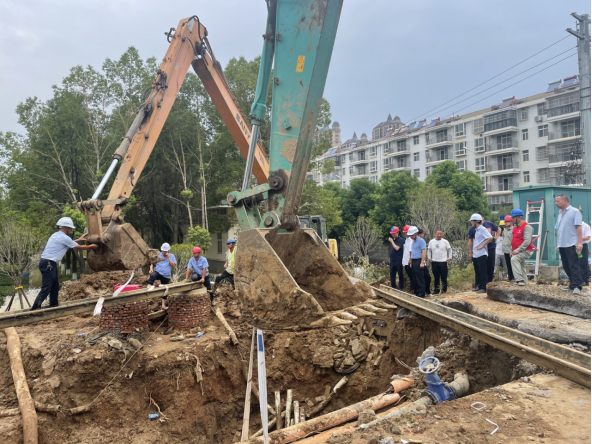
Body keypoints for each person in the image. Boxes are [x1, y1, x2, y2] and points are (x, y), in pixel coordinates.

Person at [31, 217, 99, 310]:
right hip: (48, 263)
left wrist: (78, 239)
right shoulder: (64, 237)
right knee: (47, 287)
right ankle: (35, 308)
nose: (71, 231)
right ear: (66, 228)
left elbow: (67, 242)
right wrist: (93, 246)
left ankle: (53, 306)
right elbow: (79, 247)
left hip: (48, 262)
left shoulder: (55, 235)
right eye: (70, 229)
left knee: (55, 286)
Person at [554, 194, 584, 294]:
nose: (556, 203)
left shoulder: (574, 211)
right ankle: (572, 284)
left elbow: (579, 227)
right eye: (555, 201)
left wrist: (579, 243)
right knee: (566, 266)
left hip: (572, 243)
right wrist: (558, 244)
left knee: (574, 265)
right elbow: (558, 230)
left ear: (565, 201)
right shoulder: (559, 213)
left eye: (557, 201)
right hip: (562, 244)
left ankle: (578, 286)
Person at [468, 216, 500, 284]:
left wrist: (496, 237)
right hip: (479, 251)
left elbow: (494, 234)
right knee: (480, 268)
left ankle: (488, 283)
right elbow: (470, 240)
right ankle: (480, 284)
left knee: (490, 266)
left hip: (490, 248)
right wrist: (471, 252)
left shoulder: (487, 225)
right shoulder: (473, 229)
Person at [509, 209, 535, 287]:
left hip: (526, 250)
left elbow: (527, 241)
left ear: (519, 217)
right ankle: (525, 283)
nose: (512, 219)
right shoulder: (515, 228)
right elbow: (514, 240)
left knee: (514, 259)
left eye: (513, 217)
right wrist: (512, 251)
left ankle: (519, 280)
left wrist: (517, 250)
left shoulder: (527, 227)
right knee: (521, 266)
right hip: (518, 251)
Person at [148, 243, 176, 309]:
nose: (164, 252)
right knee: (153, 276)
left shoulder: (172, 256)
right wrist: (151, 269)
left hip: (166, 275)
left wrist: (168, 258)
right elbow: (151, 262)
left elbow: (173, 265)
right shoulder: (158, 255)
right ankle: (148, 286)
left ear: (168, 251)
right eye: (163, 251)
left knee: (165, 290)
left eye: (165, 251)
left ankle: (163, 305)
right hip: (158, 272)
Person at [469, 213, 493, 294]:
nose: (471, 223)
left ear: (476, 221)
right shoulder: (476, 230)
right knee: (477, 271)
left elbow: (490, 237)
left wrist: (482, 245)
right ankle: (479, 286)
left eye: (472, 221)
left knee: (483, 271)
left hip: (481, 254)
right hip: (476, 253)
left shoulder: (482, 229)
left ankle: (484, 287)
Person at [407, 226, 427, 298]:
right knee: (415, 278)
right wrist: (411, 262)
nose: (411, 237)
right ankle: (417, 293)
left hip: (419, 260)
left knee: (420, 278)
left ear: (416, 234)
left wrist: (422, 262)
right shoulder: (413, 242)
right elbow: (413, 252)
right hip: (414, 261)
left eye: (412, 235)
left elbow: (424, 252)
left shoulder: (421, 241)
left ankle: (421, 294)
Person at [417, 229, 432, 295]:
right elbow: (423, 252)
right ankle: (422, 292)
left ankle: (427, 291)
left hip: (423, 262)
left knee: (427, 277)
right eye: (422, 233)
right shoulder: (418, 241)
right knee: (422, 278)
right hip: (419, 262)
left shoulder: (421, 241)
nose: (423, 235)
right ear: (419, 234)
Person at [502, 215, 515, 282]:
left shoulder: (514, 230)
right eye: (505, 222)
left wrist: (512, 250)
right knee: (508, 265)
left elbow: (514, 241)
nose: (505, 223)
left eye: (507, 222)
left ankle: (513, 277)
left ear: (511, 222)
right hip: (505, 250)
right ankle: (510, 277)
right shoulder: (505, 231)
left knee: (512, 265)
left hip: (511, 250)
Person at [401, 225, 414, 294]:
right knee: (410, 276)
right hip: (406, 262)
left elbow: (411, 251)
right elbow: (406, 251)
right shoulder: (406, 240)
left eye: (406, 232)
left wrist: (410, 260)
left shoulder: (411, 240)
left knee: (412, 276)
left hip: (409, 261)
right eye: (404, 232)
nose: (405, 234)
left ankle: (413, 290)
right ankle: (411, 289)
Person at [580, 220, 590, 285]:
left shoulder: (586, 226)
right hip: (575, 246)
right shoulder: (573, 226)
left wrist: (577, 238)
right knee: (577, 264)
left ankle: (585, 281)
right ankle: (579, 280)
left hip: (583, 246)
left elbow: (587, 237)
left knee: (584, 263)